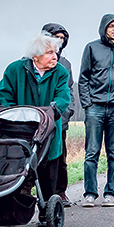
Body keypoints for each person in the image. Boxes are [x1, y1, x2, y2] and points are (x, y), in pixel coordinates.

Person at [0, 32, 71, 226]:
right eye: (49, 53)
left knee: (48, 171)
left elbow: (63, 96)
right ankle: (13, 211)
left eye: (56, 52)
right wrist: (7, 110)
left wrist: (54, 109)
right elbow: (2, 94)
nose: (55, 56)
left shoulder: (60, 72)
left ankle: (47, 212)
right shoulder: (15, 70)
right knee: (18, 169)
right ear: (35, 57)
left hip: (49, 128)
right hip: (20, 130)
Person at [78, 14, 114, 208]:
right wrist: (87, 103)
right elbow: (83, 77)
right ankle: (90, 194)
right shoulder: (92, 47)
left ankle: (111, 193)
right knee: (91, 153)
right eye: (111, 26)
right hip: (95, 107)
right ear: (104, 28)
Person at [42, 23, 76, 208]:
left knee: (59, 157)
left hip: (58, 118)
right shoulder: (30, 61)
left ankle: (59, 192)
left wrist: (65, 114)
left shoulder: (65, 66)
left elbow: (68, 92)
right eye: (56, 37)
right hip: (36, 119)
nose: (60, 41)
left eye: (63, 38)